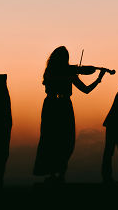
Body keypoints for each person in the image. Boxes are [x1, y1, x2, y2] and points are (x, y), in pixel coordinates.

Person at [33, 46, 108, 183]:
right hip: (61, 107)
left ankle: (56, 174)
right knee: (61, 139)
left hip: (52, 106)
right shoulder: (62, 71)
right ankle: (56, 174)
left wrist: (97, 78)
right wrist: (93, 75)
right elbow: (85, 88)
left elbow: (85, 89)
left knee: (54, 139)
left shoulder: (57, 71)